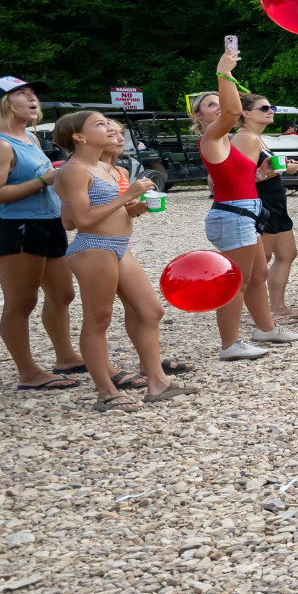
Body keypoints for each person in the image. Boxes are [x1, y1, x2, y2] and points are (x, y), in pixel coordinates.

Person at [52, 111, 192, 409]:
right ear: (79, 137)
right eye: (99, 124)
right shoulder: (73, 170)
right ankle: (106, 393)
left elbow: (103, 212)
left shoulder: (107, 168)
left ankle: (158, 382)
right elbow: (80, 221)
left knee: (151, 311)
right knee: (98, 320)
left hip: (119, 246)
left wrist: (135, 208)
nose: (108, 128)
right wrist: (127, 196)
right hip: (93, 248)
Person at [191, 50, 298, 359]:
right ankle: (230, 344)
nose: (219, 107)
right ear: (199, 117)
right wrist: (224, 72)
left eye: (219, 101)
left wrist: (261, 174)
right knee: (236, 281)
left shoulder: (226, 141)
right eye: (210, 105)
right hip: (232, 215)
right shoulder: (212, 137)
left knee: (258, 274)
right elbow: (231, 112)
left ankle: (265, 328)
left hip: (244, 212)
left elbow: (238, 178)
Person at [0, 75, 81, 390]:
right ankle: (28, 373)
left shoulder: (31, 138)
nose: (32, 98)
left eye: (33, 93)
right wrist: (42, 181)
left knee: (63, 294)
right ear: (3, 103)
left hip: (47, 222)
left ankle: (66, 357)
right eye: (22, 93)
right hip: (13, 226)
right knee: (21, 302)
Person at [237, 98, 298, 324]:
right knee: (261, 260)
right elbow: (242, 178)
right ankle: (261, 315)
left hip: (275, 201)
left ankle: (278, 307)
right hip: (262, 202)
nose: (270, 111)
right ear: (246, 113)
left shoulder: (257, 137)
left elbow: (260, 169)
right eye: (264, 108)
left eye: (271, 107)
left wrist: (282, 167)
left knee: (287, 253)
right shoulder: (244, 137)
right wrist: (280, 170)